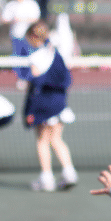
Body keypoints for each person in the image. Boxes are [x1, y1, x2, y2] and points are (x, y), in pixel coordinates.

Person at [23, 21, 77, 192]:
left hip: (43, 105)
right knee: (57, 139)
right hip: (59, 102)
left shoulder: (36, 58)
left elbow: (35, 86)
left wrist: (30, 110)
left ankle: (46, 178)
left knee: (42, 140)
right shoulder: (56, 53)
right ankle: (69, 172)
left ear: (33, 37)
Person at [1, 0, 42, 89]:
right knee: (17, 58)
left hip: (29, 37)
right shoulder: (11, 5)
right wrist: (13, 20)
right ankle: (21, 79)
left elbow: (36, 18)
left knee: (31, 57)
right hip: (16, 36)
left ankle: (31, 79)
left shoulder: (32, 4)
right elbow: (4, 19)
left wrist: (23, 19)